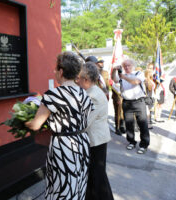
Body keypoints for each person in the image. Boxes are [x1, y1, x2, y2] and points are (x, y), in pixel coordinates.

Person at [25, 51, 93, 200]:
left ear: (61, 72)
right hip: (82, 142)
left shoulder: (53, 95)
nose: (54, 72)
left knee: (61, 186)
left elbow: (36, 125)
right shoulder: (84, 93)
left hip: (64, 146)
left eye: (56, 69)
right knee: (77, 185)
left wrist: (24, 122)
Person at [77, 62, 114, 200]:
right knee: (94, 176)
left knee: (98, 176)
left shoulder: (92, 96)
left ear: (86, 79)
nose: (77, 80)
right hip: (96, 139)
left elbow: (84, 123)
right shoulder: (91, 91)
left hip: (96, 141)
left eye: (78, 78)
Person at [112, 59, 150, 154]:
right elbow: (114, 79)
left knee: (142, 124)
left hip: (139, 101)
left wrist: (124, 77)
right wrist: (114, 70)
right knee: (129, 124)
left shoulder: (138, 73)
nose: (127, 67)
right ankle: (131, 141)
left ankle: (144, 144)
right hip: (126, 102)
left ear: (132, 65)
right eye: (125, 66)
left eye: (128, 65)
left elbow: (136, 82)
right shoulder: (122, 76)